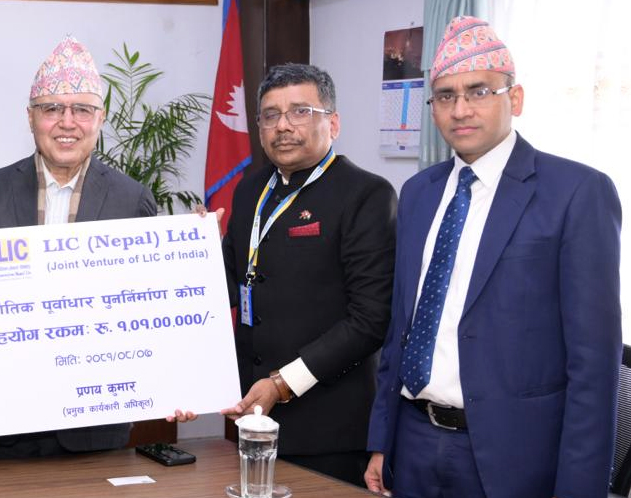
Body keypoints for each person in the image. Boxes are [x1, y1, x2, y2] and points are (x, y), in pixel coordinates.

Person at [364, 17, 621, 498]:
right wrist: (382, 439)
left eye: (479, 91)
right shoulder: (418, 193)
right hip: (413, 442)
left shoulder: (577, 193)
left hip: (515, 458)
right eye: (445, 96)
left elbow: (593, 366)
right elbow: (401, 326)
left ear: (515, 99)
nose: (460, 109)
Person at [0, 36, 157, 460]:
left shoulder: (132, 199)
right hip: (10, 415)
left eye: (82, 109)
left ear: (100, 118)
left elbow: (151, 304)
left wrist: (192, 253)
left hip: (97, 420)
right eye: (52, 109)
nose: (67, 122)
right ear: (30, 117)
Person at [216, 63, 397, 486]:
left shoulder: (367, 195)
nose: (283, 126)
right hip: (250, 418)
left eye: (300, 112)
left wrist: (281, 384)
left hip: (329, 428)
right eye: (271, 115)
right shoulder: (251, 189)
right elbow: (229, 282)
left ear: (333, 123)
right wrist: (193, 249)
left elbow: (371, 320)